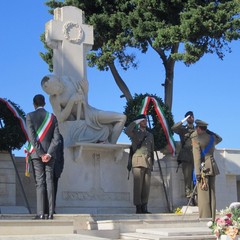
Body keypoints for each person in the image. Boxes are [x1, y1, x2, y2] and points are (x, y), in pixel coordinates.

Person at [41, 75, 126, 147]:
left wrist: (85, 90)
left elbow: (81, 94)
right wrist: (71, 101)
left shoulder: (67, 79)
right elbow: (60, 118)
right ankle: (110, 147)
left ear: (57, 80)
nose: (57, 92)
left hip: (91, 112)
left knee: (122, 118)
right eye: (53, 92)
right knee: (112, 125)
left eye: (57, 87)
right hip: (83, 118)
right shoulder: (54, 99)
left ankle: (111, 146)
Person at [26, 94, 60, 220]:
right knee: (50, 181)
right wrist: (49, 153)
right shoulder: (53, 117)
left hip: (37, 155)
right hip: (50, 155)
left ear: (34, 104)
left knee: (40, 183)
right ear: (44, 103)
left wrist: (41, 154)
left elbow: (32, 137)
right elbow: (56, 138)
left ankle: (40, 213)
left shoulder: (30, 116)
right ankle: (50, 213)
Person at [191, 119, 222, 221]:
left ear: (199, 128)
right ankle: (212, 218)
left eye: (196, 128)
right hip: (212, 166)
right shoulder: (212, 137)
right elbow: (220, 139)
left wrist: (197, 173)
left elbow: (197, 157)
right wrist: (210, 132)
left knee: (203, 195)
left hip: (203, 168)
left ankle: (205, 219)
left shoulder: (196, 138)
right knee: (212, 194)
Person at [125, 114, 155, 214]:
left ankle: (144, 206)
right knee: (138, 186)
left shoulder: (150, 135)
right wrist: (136, 121)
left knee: (146, 186)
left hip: (148, 162)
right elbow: (127, 130)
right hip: (137, 161)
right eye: (142, 120)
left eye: (145, 120)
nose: (145, 122)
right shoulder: (135, 132)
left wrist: (152, 162)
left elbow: (152, 149)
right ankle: (138, 207)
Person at [171, 111, 195, 204]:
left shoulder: (197, 129)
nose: (191, 118)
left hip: (197, 156)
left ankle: (196, 196)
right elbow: (173, 128)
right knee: (188, 177)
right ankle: (190, 197)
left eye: (192, 117)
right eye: (189, 117)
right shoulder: (183, 129)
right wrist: (183, 120)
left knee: (197, 177)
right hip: (186, 156)